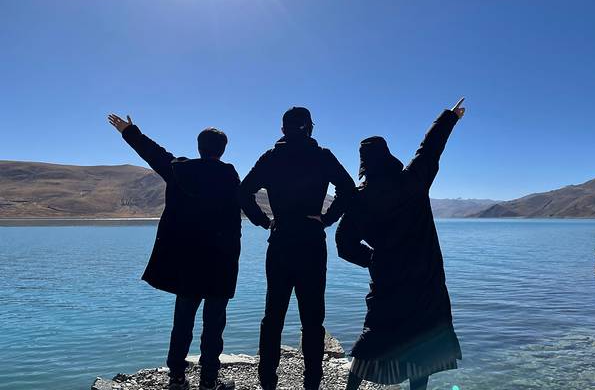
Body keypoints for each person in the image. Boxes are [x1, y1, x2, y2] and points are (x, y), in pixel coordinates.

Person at [335, 99, 466, 390]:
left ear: (364, 164)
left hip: (387, 278)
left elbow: (343, 244)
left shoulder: (360, 200)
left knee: (375, 334)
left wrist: (372, 259)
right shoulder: (413, 181)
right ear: (388, 156)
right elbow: (429, 149)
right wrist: (449, 117)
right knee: (422, 339)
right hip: (424, 278)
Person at [108, 114, 240, 390]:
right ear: (222, 150)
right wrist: (270, 223)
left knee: (182, 321)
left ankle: (177, 377)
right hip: (220, 263)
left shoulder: (179, 170)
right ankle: (208, 380)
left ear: (199, 147)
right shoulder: (229, 176)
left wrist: (129, 131)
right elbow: (241, 212)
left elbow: (153, 154)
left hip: (187, 263)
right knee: (214, 325)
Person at [240, 107, 356, 390]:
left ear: (283, 130)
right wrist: (327, 219)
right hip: (312, 243)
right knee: (313, 319)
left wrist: (264, 221)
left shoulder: (271, 157)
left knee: (273, 317)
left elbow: (242, 192)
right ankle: (312, 383)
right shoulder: (322, 156)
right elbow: (348, 189)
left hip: (280, 242)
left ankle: (268, 382)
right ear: (310, 128)